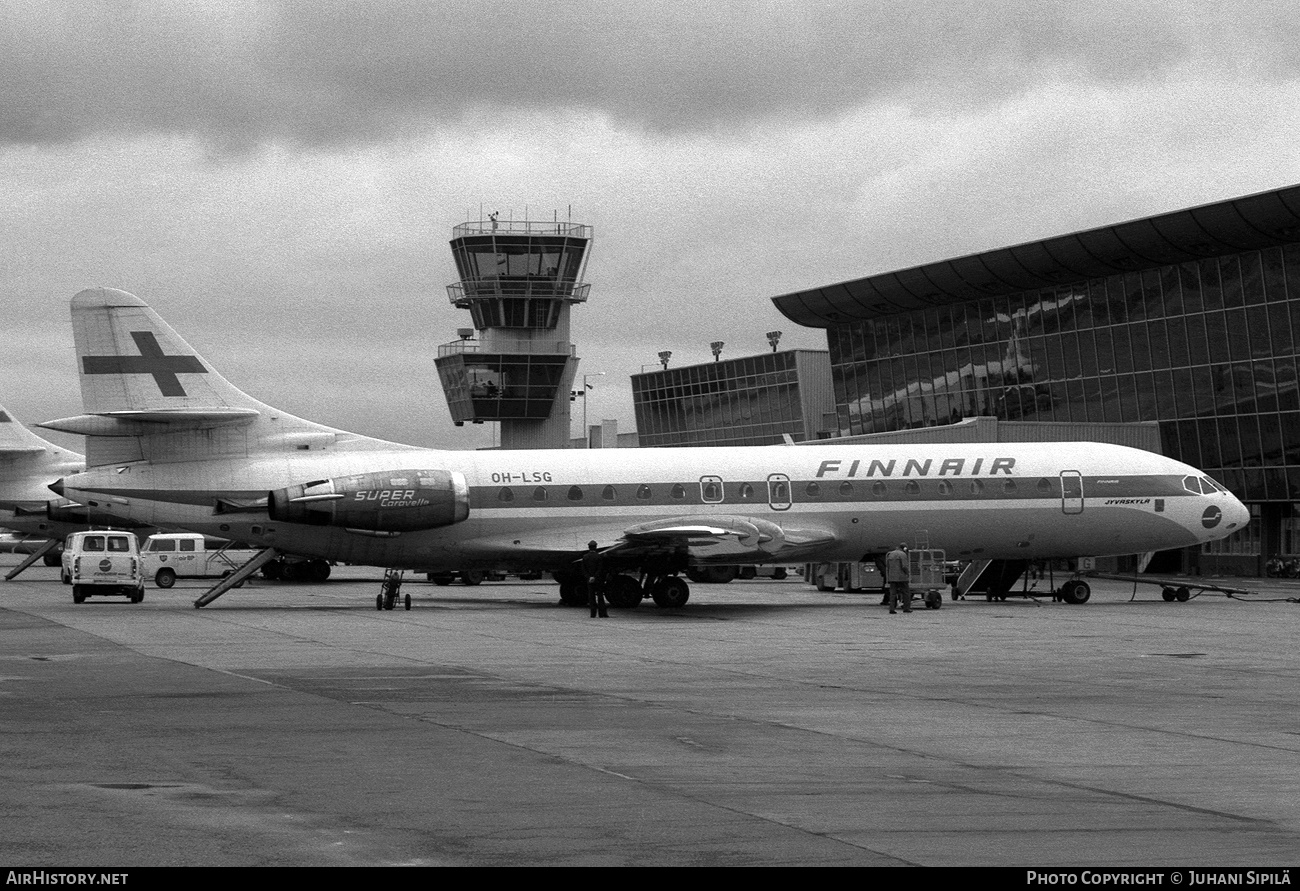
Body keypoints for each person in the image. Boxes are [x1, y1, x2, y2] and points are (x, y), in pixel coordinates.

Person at [581, 540, 608, 618]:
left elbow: (583, 569)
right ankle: (602, 613)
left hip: (589, 580)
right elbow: (600, 568)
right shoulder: (599, 556)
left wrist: (589, 577)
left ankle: (593, 614)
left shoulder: (585, 557)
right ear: (596, 547)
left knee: (591, 597)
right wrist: (595, 576)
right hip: (598, 579)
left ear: (589, 547)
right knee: (600, 596)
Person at [884, 542, 912, 614]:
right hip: (902, 577)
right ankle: (906, 608)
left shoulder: (890, 554)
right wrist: (908, 573)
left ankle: (892, 609)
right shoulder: (903, 554)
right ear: (904, 548)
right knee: (906, 593)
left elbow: (887, 565)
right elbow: (904, 566)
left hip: (892, 577)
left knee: (892, 593)